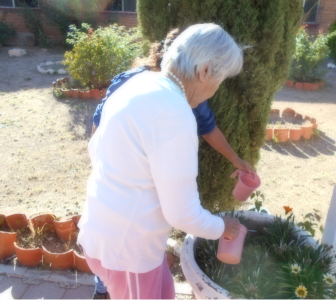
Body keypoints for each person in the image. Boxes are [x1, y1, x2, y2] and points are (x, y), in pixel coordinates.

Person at [78, 23, 244, 299]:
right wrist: (222, 228)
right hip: (127, 252)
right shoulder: (174, 113)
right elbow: (182, 214)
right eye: (220, 80)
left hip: (104, 232)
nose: (215, 89)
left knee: (165, 290)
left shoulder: (140, 83)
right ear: (205, 72)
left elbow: (95, 150)